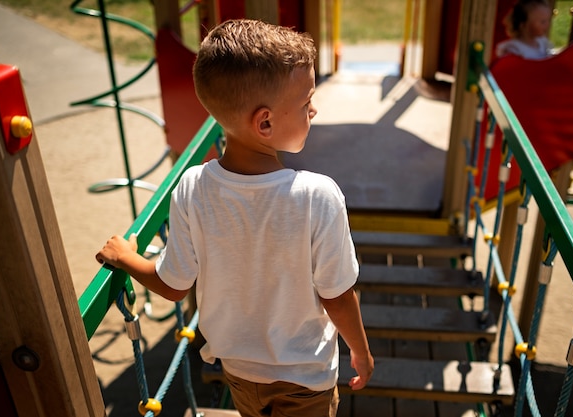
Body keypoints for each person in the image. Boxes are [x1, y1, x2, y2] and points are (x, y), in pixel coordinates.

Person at [96, 19, 374, 417]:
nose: (314, 108)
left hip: (239, 372)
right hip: (306, 378)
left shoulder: (192, 187)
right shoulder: (318, 195)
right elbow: (337, 295)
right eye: (305, 101)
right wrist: (361, 352)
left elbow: (174, 286)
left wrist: (125, 258)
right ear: (265, 122)